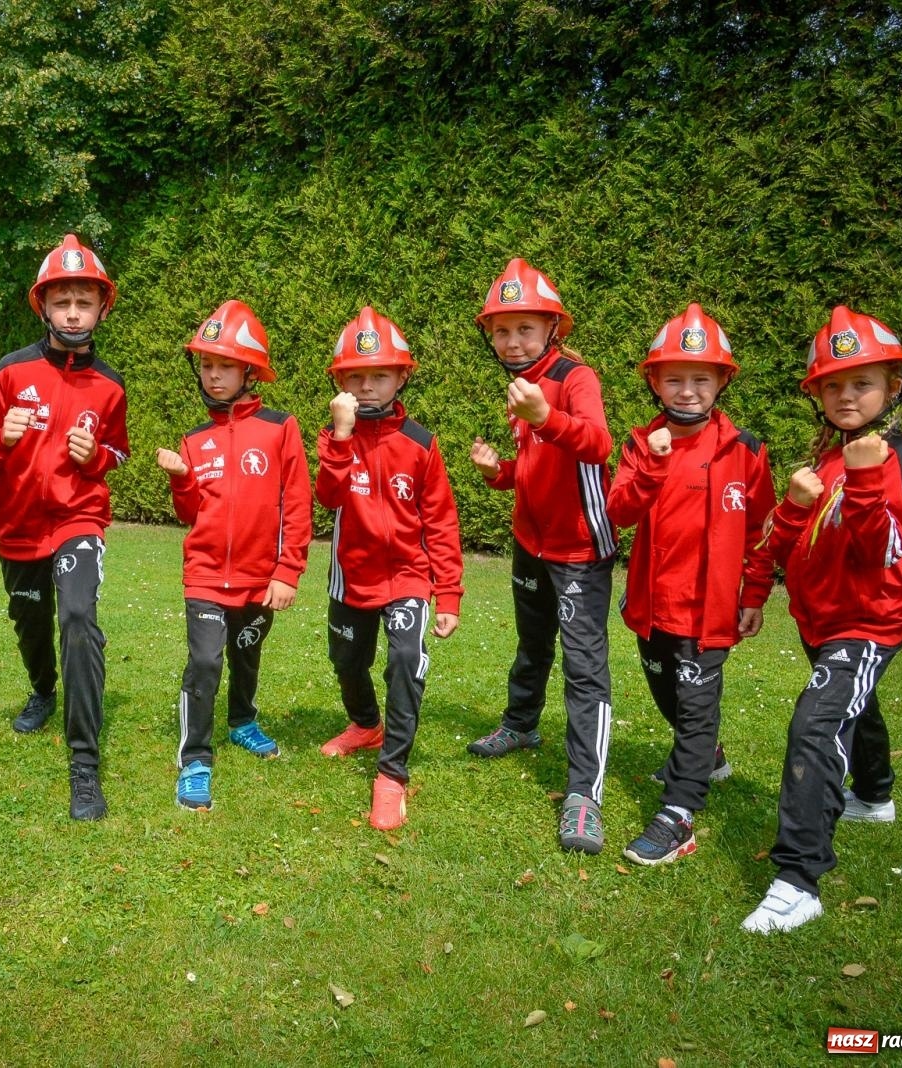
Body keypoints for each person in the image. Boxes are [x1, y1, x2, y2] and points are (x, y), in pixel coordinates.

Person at [741, 306, 902, 933]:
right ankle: (873, 796)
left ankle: (799, 880)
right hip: (820, 622)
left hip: (865, 623)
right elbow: (782, 542)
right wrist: (792, 511)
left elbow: (883, 554)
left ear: (893, 386)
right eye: (834, 385)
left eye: (863, 383)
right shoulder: (826, 459)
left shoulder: (897, 457)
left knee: (816, 726)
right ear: (818, 392)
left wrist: (869, 477)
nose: (847, 396)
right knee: (853, 704)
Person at [0, 234, 130, 820]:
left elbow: (119, 453)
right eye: (63, 302)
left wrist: (96, 457)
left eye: (84, 301)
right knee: (30, 621)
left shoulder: (111, 384)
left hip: (78, 518)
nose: (74, 312)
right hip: (19, 526)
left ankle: (84, 767)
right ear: (44, 307)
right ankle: (42, 689)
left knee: (79, 619)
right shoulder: (11, 371)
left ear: (101, 308)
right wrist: (1, 441)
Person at [604, 304, 774, 864]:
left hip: (711, 615)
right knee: (668, 695)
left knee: (697, 706)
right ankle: (709, 757)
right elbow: (619, 512)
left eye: (701, 377)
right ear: (654, 381)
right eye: (673, 377)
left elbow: (763, 533)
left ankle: (679, 814)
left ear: (722, 380)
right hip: (654, 607)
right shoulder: (640, 442)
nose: (687, 390)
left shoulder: (746, 451)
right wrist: (650, 465)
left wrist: (754, 595)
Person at [467, 258, 616, 854]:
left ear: (553, 328)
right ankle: (522, 727)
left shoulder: (575, 378)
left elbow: (597, 444)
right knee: (532, 647)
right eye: (501, 330)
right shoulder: (521, 383)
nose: (511, 341)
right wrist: (498, 473)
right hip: (531, 543)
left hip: (579, 549)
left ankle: (584, 796)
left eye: (524, 328)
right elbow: (539, 466)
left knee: (584, 670)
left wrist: (544, 416)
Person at [156, 300, 312, 810]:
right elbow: (190, 512)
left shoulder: (279, 427)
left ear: (250, 371)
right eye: (206, 364)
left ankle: (243, 719)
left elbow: (297, 502)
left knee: (247, 654)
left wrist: (287, 571)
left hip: (260, 577)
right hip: (204, 575)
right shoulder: (194, 439)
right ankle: (195, 758)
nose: (214, 374)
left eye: (224, 365)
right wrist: (182, 479)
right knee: (205, 662)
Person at [314, 306, 462, 831]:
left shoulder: (421, 444)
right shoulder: (335, 435)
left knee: (404, 661)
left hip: (407, 577)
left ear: (402, 376)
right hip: (349, 577)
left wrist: (448, 595)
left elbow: (441, 521)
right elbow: (326, 495)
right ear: (341, 383)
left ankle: (392, 773)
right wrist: (340, 435)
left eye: (380, 375)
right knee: (348, 662)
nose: (369, 386)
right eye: (356, 377)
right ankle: (365, 725)